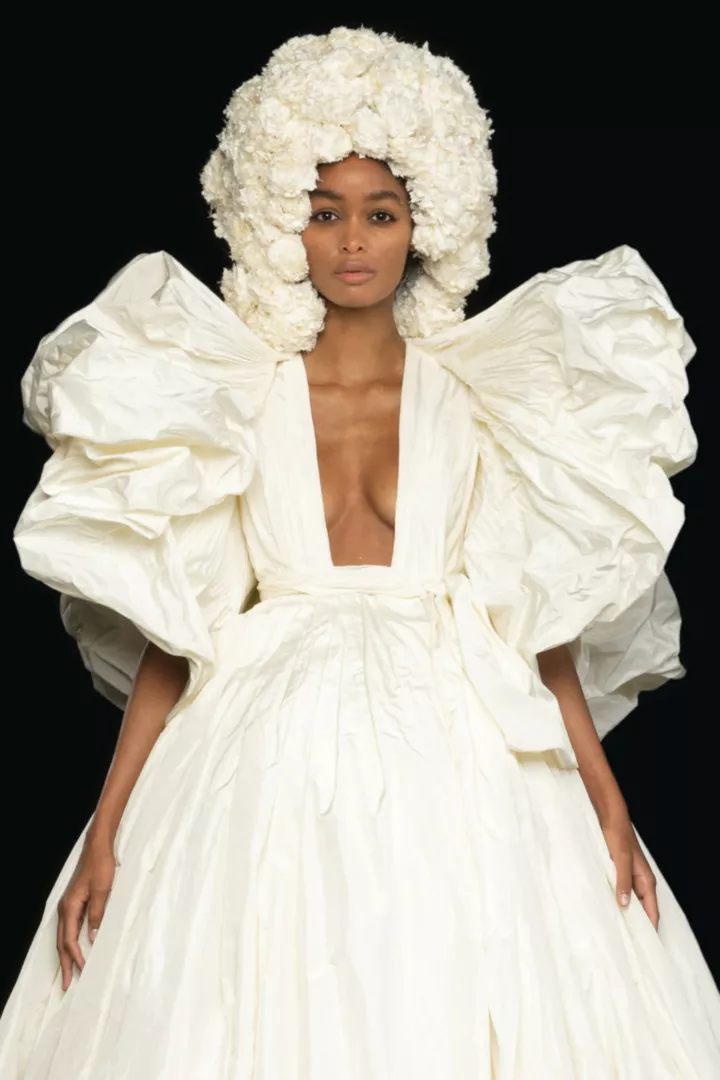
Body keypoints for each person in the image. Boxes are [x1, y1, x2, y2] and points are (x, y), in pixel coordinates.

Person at [1, 24, 718, 1079]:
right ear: (279, 224)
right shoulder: (233, 394)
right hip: (262, 744)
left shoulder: (478, 394)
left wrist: (608, 802)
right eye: (323, 211)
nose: (351, 241)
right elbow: (179, 624)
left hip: (461, 737)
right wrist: (107, 828)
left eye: (380, 213)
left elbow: (533, 620)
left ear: (425, 225)